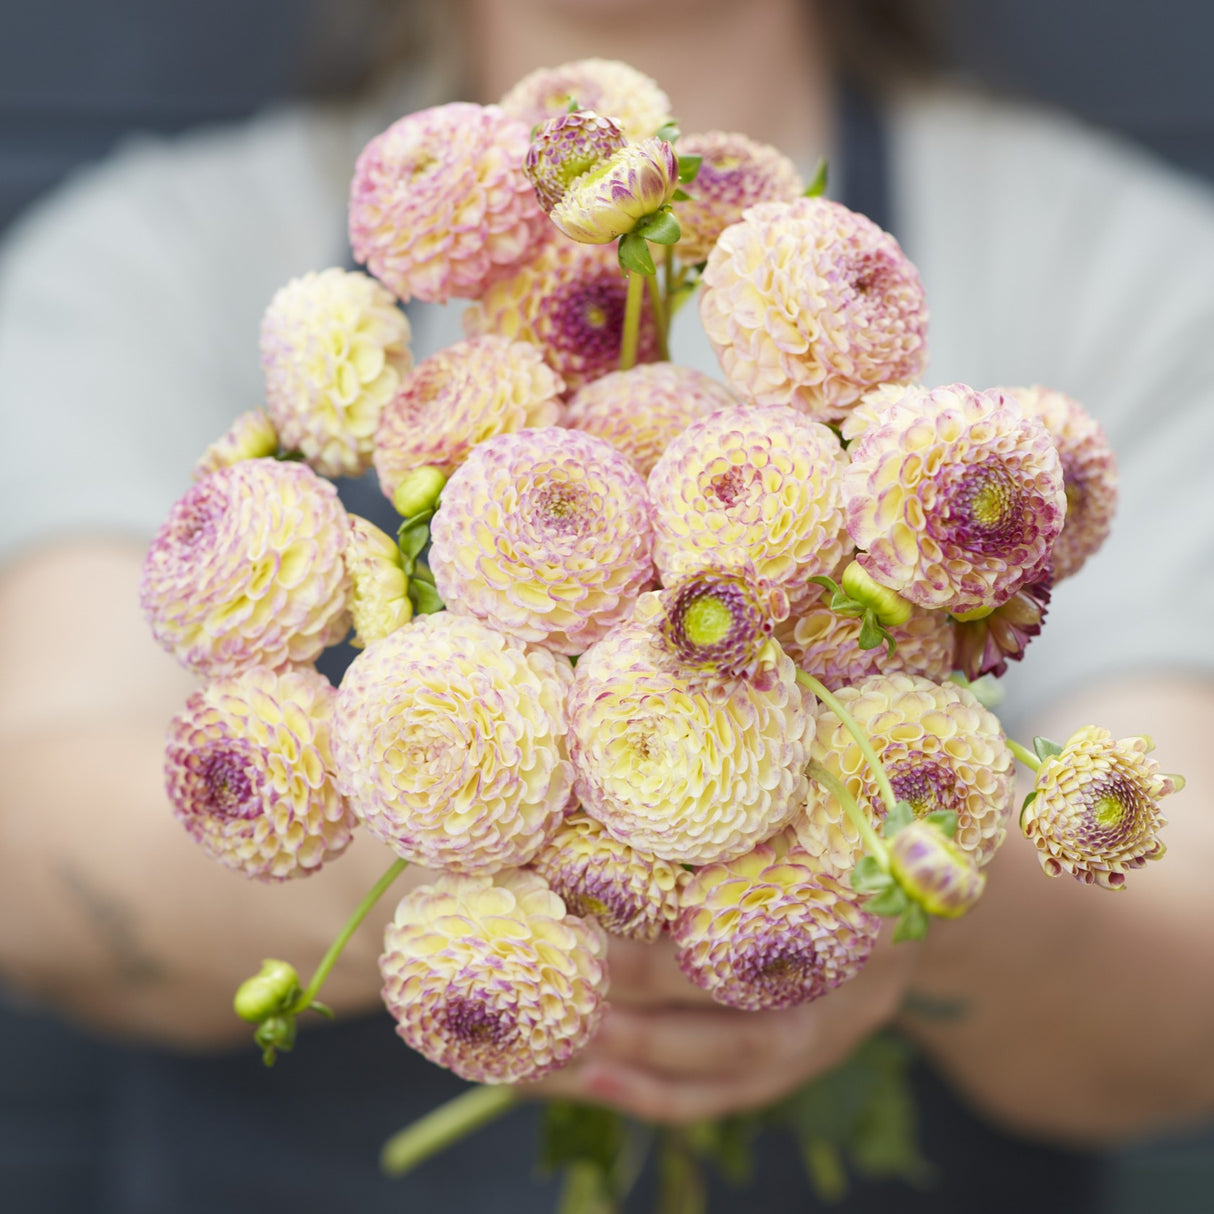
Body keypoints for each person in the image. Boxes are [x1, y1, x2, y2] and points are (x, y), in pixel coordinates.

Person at [1, 0, 1212, 1208]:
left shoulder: (1129, 267)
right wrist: (452, 837)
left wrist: (900, 898)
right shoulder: (150, 251)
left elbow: (1186, 962)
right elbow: (36, 842)